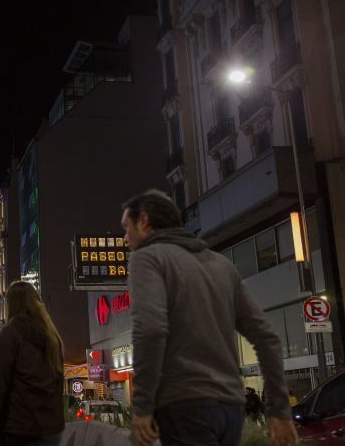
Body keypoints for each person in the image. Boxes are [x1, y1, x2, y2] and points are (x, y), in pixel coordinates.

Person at [122, 189, 298, 446]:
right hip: (231, 409)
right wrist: (279, 410)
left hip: (184, 405)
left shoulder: (147, 258)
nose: (125, 238)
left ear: (144, 221)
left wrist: (142, 406)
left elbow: (150, 331)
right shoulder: (222, 265)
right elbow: (267, 338)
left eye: (127, 228)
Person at [0, 281, 65, 446]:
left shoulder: (9, 335)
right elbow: (59, 382)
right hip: (51, 427)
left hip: (19, 428)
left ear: (11, 304)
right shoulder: (52, 337)